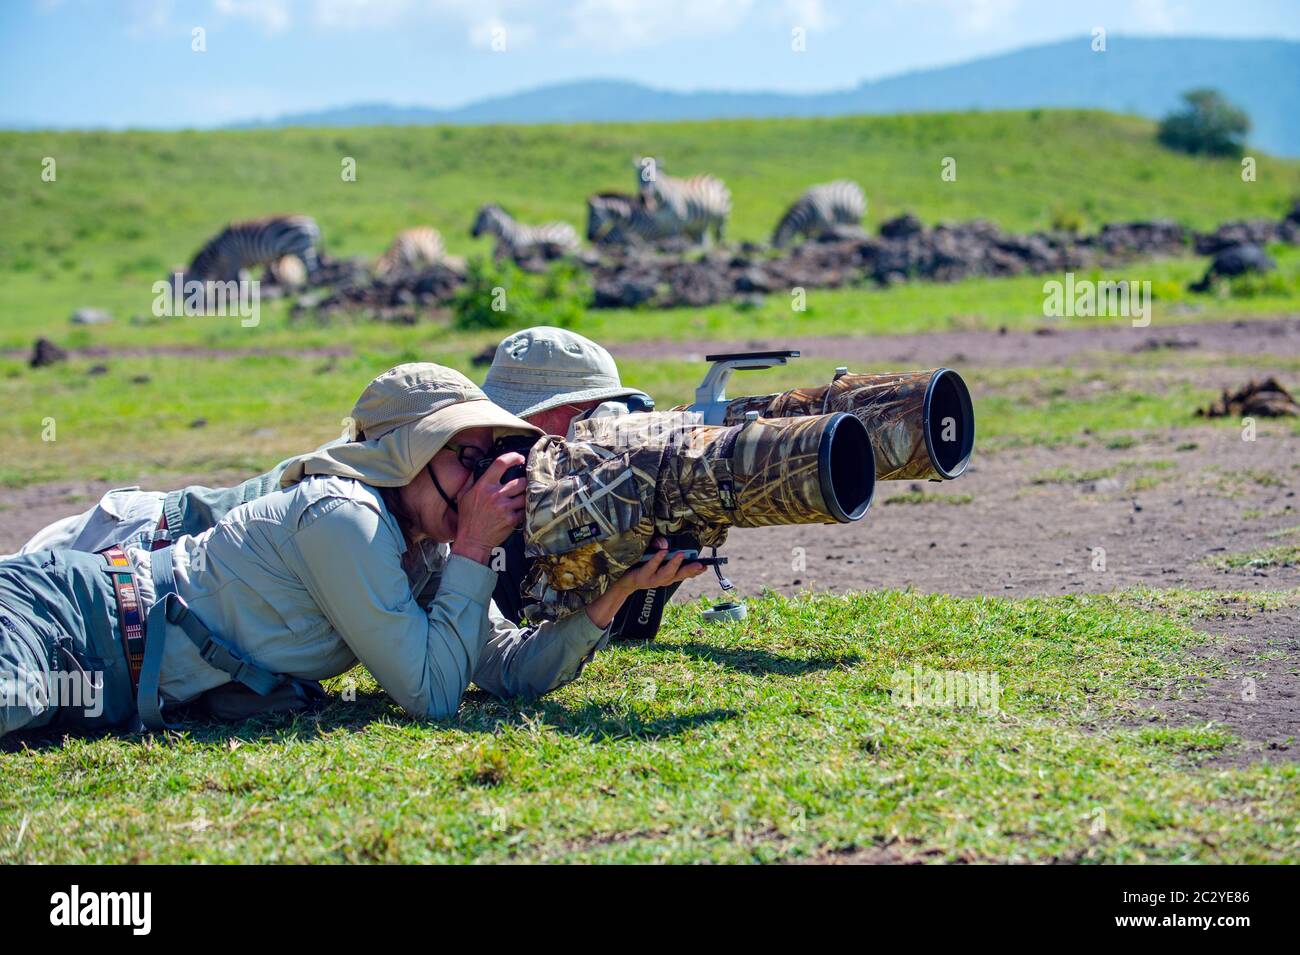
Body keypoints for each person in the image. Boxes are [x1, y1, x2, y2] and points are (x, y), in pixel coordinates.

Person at [0, 364, 705, 739]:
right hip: (68, 611)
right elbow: (431, 695)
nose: (484, 480)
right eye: (466, 457)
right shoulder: (344, 515)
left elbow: (510, 669)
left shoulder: (424, 549)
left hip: (109, 681)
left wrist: (608, 601)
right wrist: (470, 547)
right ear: (407, 455)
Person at [7, 326, 678, 641]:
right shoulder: (416, 478)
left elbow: (512, 635)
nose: (600, 430)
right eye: (586, 414)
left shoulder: (470, 480)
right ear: (535, 422)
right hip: (131, 542)